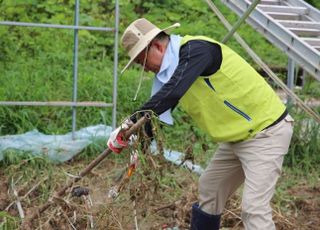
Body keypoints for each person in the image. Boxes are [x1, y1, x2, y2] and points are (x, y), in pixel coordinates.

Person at [107, 18, 294, 230]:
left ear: (157, 47)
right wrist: (133, 138)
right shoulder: (173, 71)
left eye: (143, 62)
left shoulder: (197, 51)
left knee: (253, 209)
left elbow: (173, 92)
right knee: (209, 188)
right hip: (236, 139)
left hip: (266, 132)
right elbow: (155, 114)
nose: (146, 70)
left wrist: (130, 120)